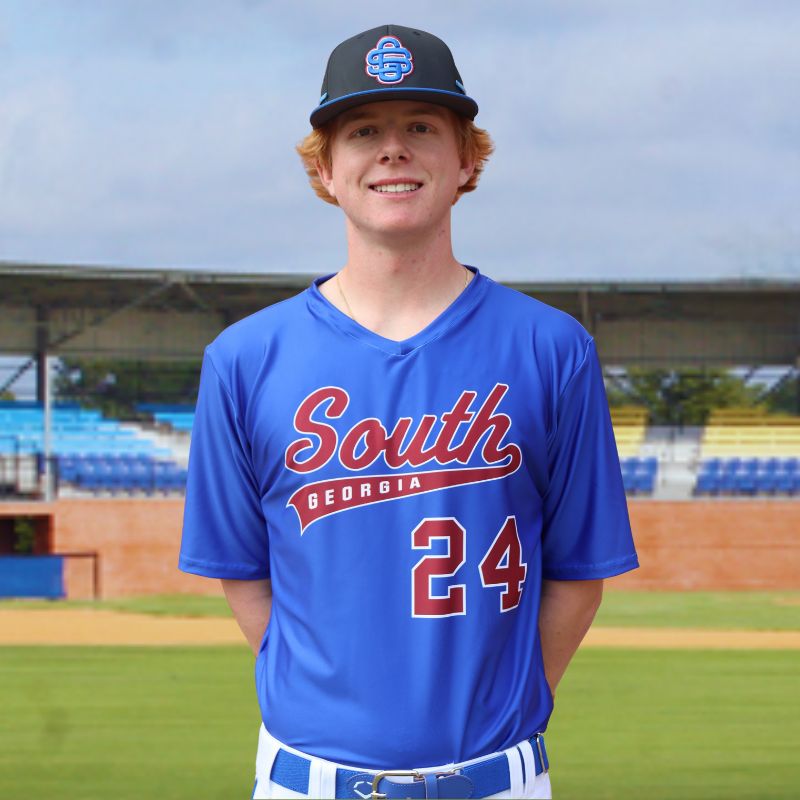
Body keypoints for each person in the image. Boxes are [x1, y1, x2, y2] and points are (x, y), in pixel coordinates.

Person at [179, 23, 639, 800]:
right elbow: (244, 574)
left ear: (467, 160)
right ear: (324, 169)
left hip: (495, 780)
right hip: (307, 782)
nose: (393, 150)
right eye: (363, 131)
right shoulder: (245, 359)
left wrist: (503, 713)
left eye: (421, 127)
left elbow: (577, 575)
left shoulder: (553, 348)